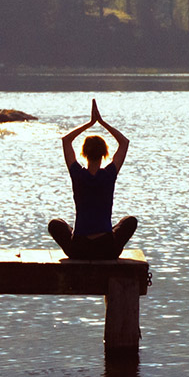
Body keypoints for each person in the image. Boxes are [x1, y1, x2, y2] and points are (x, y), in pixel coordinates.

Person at [48, 99, 138, 260]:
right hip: (107, 249)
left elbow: (66, 140)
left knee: (55, 223)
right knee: (130, 221)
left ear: (83, 153)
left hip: (79, 248)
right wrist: (102, 122)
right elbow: (124, 143)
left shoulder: (77, 174)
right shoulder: (109, 174)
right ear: (104, 154)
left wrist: (90, 123)